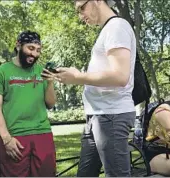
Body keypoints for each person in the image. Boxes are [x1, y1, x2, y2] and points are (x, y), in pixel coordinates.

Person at [51, 0, 136, 176]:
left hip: (111, 116)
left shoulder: (117, 27)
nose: (80, 16)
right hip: (97, 116)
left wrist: (77, 77)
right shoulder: (108, 29)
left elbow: (120, 76)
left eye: (82, 7)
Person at [0, 30, 57, 177]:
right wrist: (6, 139)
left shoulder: (41, 71)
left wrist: (50, 83)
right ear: (18, 45)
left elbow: (50, 103)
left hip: (42, 134)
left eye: (38, 50)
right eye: (30, 48)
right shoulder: (0, 73)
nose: (35, 54)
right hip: (14, 138)